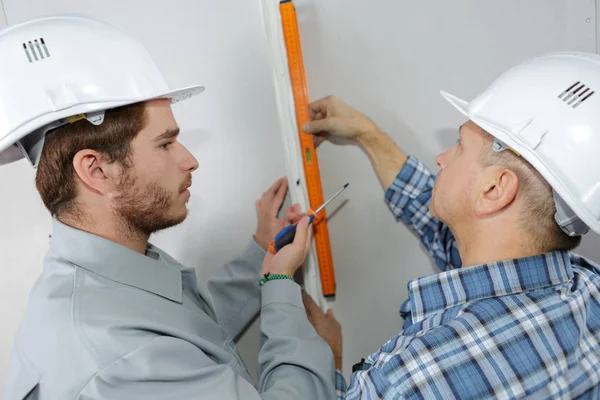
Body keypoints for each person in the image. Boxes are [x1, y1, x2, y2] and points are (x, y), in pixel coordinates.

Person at [3, 16, 335, 399]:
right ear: (96, 171)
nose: (190, 160)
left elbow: (183, 333)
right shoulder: (120, 363)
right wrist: (283, 297)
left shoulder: (101, 277)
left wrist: (261, 254)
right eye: (165, 144)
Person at [302, 52, 600, 399]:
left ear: (494, 189)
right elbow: (450, 235)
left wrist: (327, 357)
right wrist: (368, 134)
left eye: (459, 145)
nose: (441, 157)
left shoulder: (409, 381)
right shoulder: (589, 288)